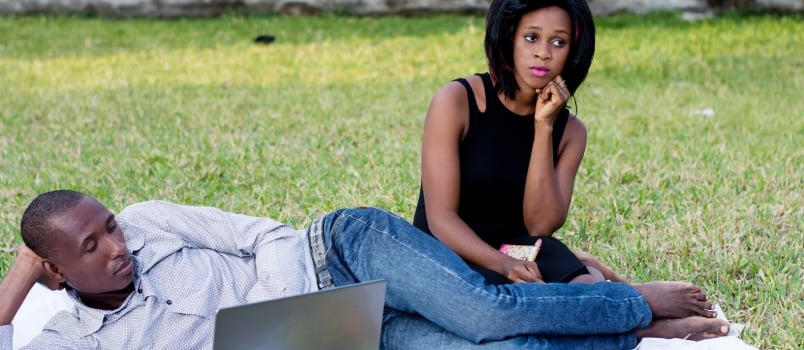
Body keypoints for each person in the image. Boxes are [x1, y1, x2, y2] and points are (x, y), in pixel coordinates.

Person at [0, 190, 728, 349]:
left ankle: (629, 300)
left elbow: (264, 235)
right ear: (57, 274)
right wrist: (22, 274)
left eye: (109, 228)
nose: (116, 245)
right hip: (337, 340)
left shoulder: (153, 220)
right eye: (88, 248)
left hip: (339, 252)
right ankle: (638, 333)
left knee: (485, 313)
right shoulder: (72, 341)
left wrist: (274, 313)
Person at [413, 0, 624, 285]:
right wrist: (504, 265)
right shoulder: (456, 101)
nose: (543, 53)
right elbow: (441, 218)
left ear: (573, 53)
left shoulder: (571, 133)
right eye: (531, 37)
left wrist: (543, 126)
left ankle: (630, 301)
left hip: (520, 253)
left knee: (585, 289)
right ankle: (643, 302)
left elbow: (539, 226)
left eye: (559, 42)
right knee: (520, 306)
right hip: (448, 256)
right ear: (508, 38)